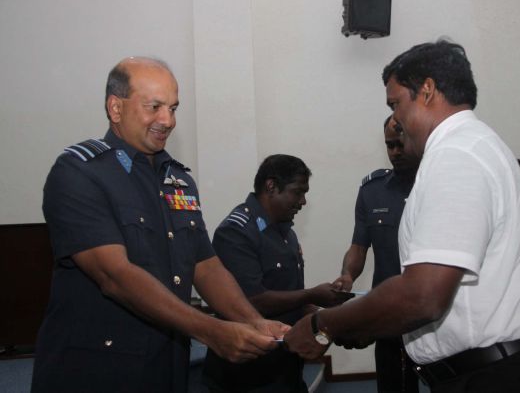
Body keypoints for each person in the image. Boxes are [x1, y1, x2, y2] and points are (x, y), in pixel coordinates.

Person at [284, 40, 520, 393]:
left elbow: (423, 296)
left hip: (501, 377)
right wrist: (365, 324)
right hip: (504, 369)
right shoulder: (476, 145)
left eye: (395, 104)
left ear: (427, 91)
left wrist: (325, 324)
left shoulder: (455, 155)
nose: (395, 121)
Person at [32, 57, 287, 393]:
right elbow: (114, 275)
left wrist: (252, 320)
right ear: (116, 108)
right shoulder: (80, 172)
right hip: (97, 369)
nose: (168, 120)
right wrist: (211, 331)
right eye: (154, 107)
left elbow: (206, 266)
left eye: (173, 108)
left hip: (166, 363)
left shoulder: (178, 180)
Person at [201, 154, 353, 393]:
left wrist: (324, 321)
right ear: (271, 186)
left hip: (286, 366)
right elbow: (252, 301)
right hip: (247, 375)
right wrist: (312, 294)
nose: (303, 201)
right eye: (298, 192)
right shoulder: (236, 232)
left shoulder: (286, 232)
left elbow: (294, 296)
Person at [332, 115, 420, 393]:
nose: (395, 152)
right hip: (390, 312)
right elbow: (359, 246)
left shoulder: (439, 185)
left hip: (435, 309)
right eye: (389, 145)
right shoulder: (372, 191)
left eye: (400, 144)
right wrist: (347, 275)